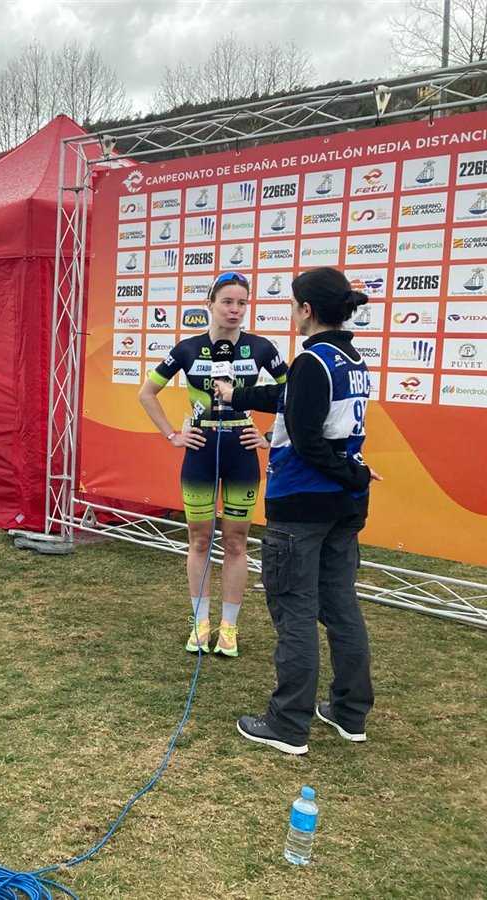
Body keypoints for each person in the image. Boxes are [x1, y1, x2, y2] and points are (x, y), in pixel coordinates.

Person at [216, 267, 381, 755]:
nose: (289, 312)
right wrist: (236, 394)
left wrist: (353, 473)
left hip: (305, 506)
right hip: (342, 506)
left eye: (291, 304)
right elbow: (289, 400)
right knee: (340, 606)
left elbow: (307, 439)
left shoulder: (312, 361)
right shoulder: (348, 357)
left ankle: (288, 723)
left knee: (295, 611)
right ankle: (349, 712)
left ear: (307, 309)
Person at [137, 271, 287, 657]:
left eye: (242, 303)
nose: (235, 310)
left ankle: (229, 627)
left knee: (236, 541)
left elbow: (294, 394)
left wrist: (270, 436)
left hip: (241, 451)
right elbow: (147, 392)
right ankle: (200, 623)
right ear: (210, 305)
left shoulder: (261, 348)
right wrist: (173, 434)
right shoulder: (188, 349)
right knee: (200, 540)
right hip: (201, 450)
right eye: (227, 302)